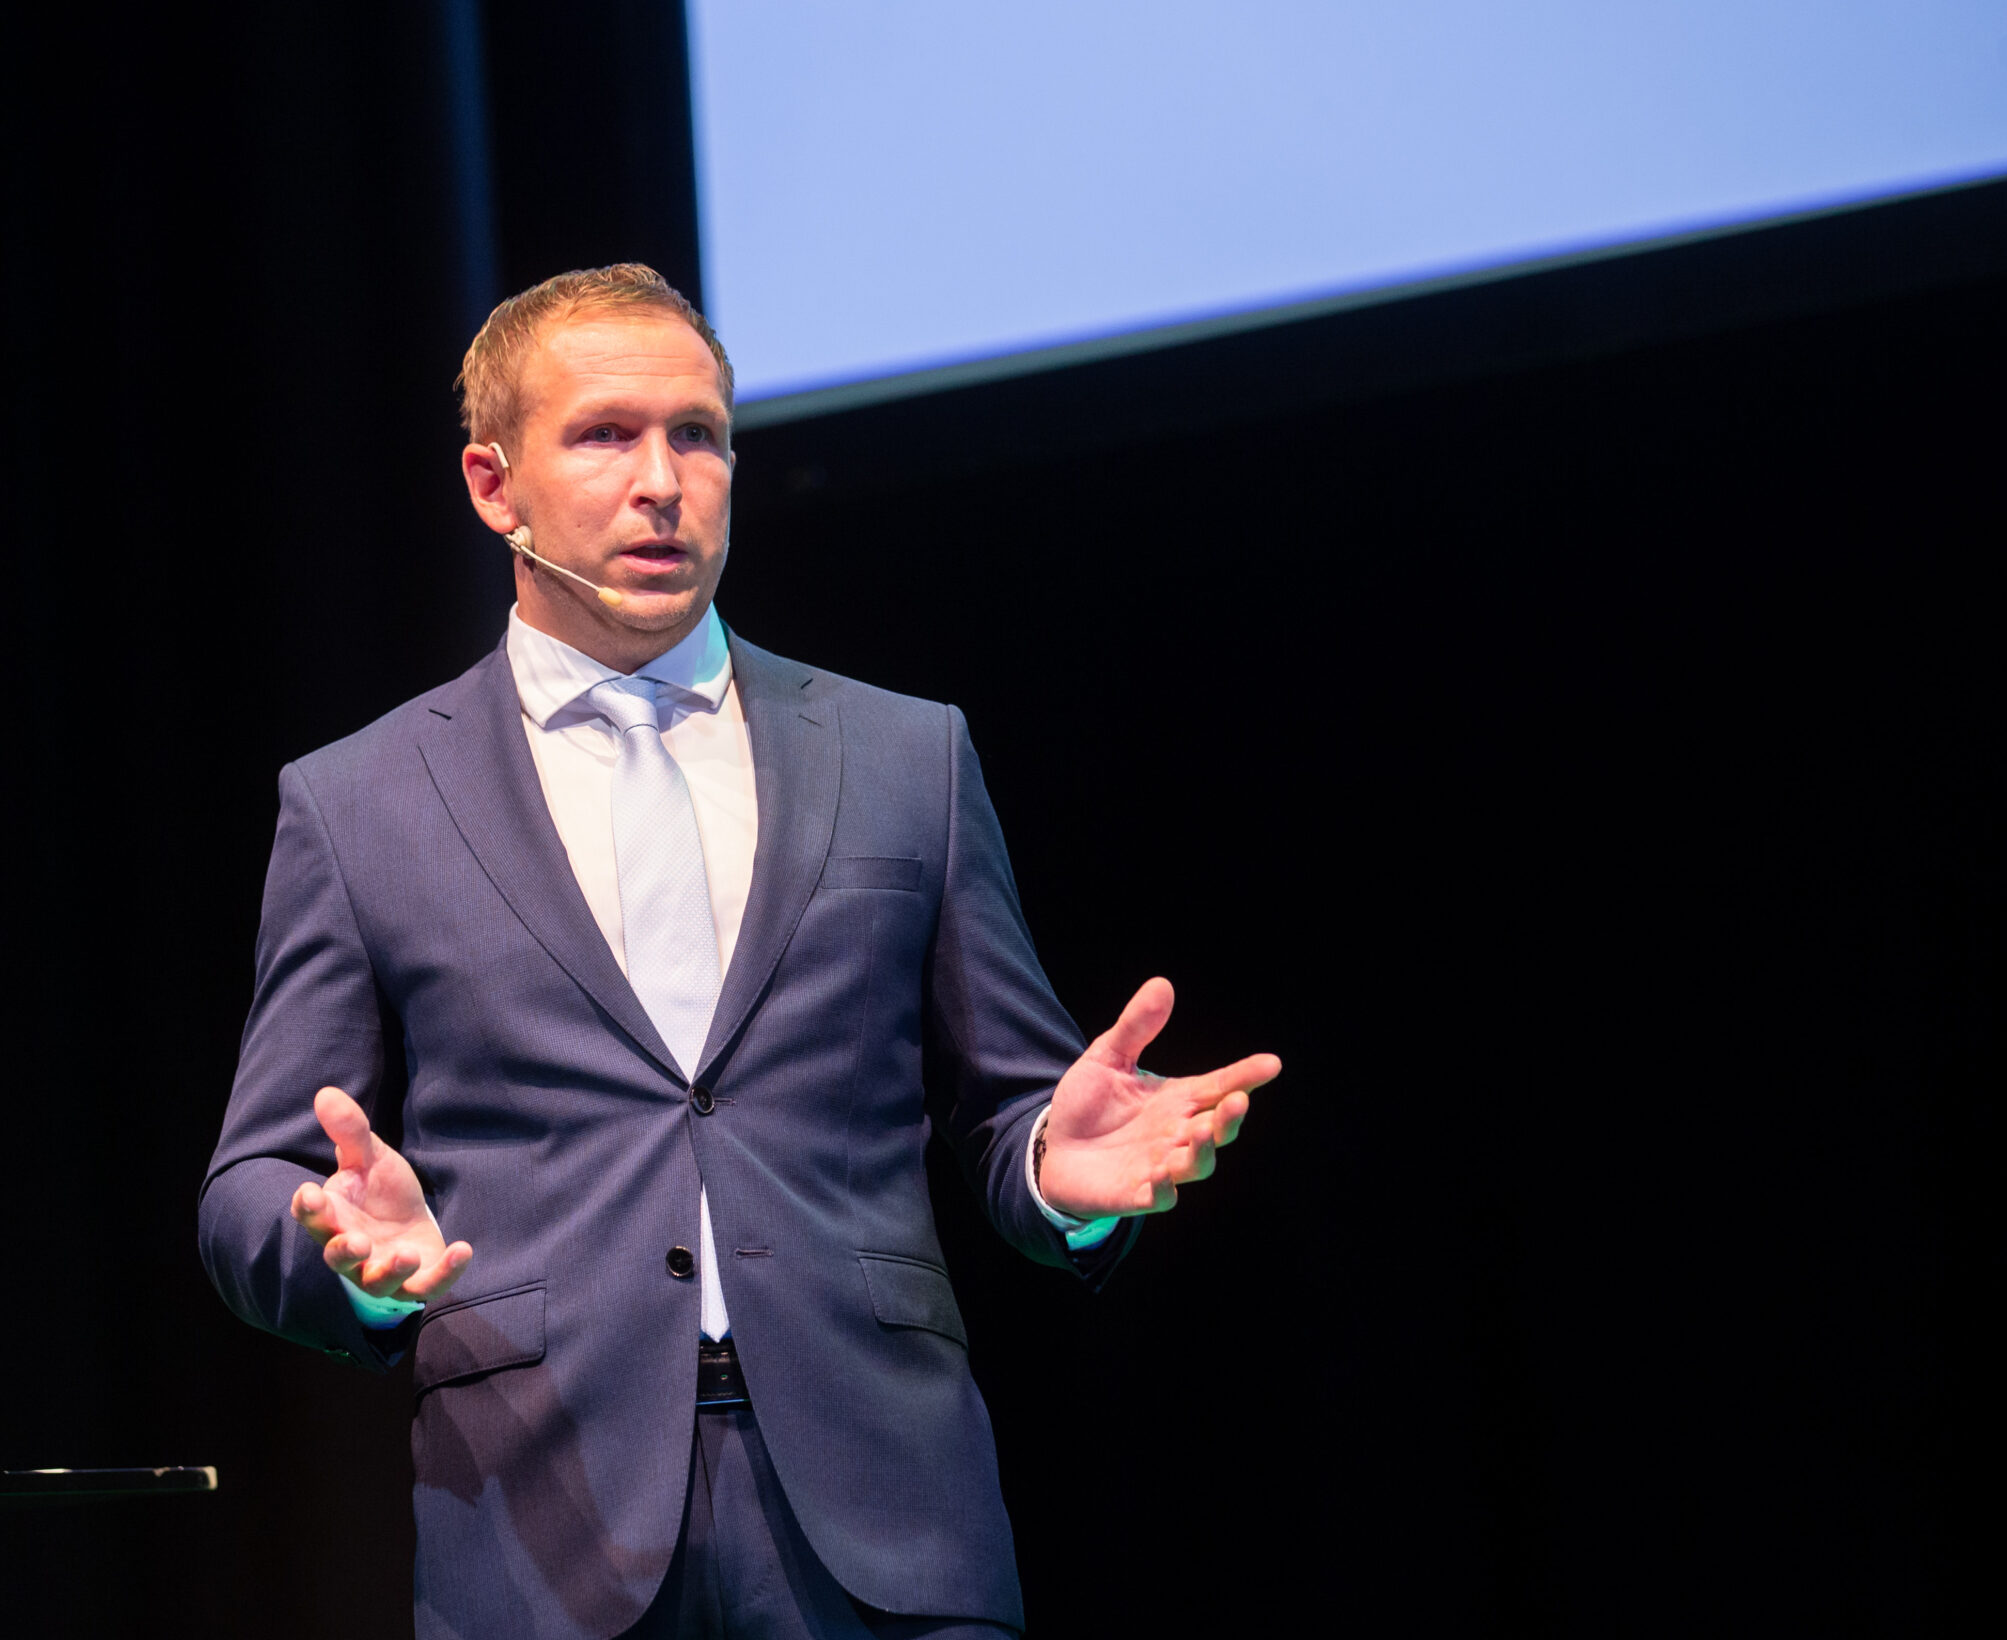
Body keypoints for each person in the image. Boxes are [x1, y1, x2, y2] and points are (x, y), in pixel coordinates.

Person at [200, 264, 1279, 1640]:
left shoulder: (905, 755)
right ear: (492, 485)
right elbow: (249, 1186)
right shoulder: (360, 803)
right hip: (545, 1536)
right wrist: (349, 1262)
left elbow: (1011, 1112)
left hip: (884, 1513)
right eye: (605, 435)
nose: (663, 482)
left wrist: (1054, 1176)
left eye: (697, 436)